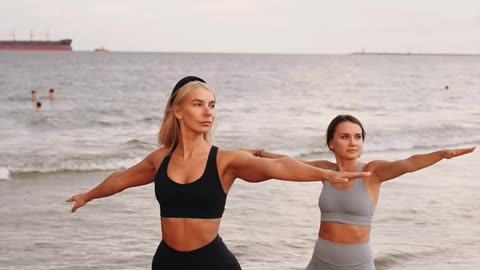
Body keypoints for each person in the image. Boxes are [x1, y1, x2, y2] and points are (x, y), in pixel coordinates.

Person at [66, 77, 370, 270]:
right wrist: (88, 195)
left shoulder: (224, 160)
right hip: (167, 260)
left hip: (211, 261)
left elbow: (278, 166)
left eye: (211, 105)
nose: (208, 112)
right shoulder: (160, 159)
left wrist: (325, 175)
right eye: (198, 105)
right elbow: (121, 179)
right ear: (178, 111)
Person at [245, 114, 475, 270]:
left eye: (358, 137)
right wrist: (258, 153)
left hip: (357, 263)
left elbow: (407, 163)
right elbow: (290, 163)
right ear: (331, 143)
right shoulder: (326, 170)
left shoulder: (373, 172)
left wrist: (440, 154)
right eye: (345, 137)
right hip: (320, 261)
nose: (353, 142)